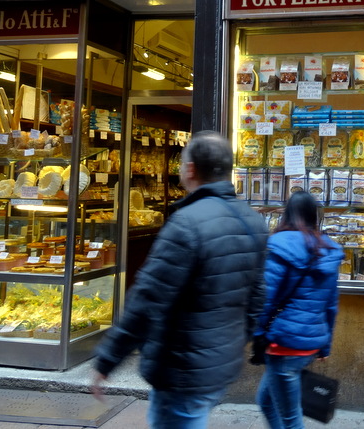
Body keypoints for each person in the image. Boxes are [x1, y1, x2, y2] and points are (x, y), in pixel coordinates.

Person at [91, 131, 267, 429]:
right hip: (220, 365)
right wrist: (234, 340)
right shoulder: (253, 221)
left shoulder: (185, 224)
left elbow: (147, 298)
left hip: (181, 367)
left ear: (190, 169)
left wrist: (108, 358)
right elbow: (258, 297)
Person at [256, 191, 344, 429]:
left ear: (287, 214)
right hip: (309, 343)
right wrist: (325, 345)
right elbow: (331, 305)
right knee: (265, 400)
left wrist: (256, 334)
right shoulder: (328, 249)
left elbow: (266, 298)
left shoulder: (279, 246)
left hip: (284, 344)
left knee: (291, 419)